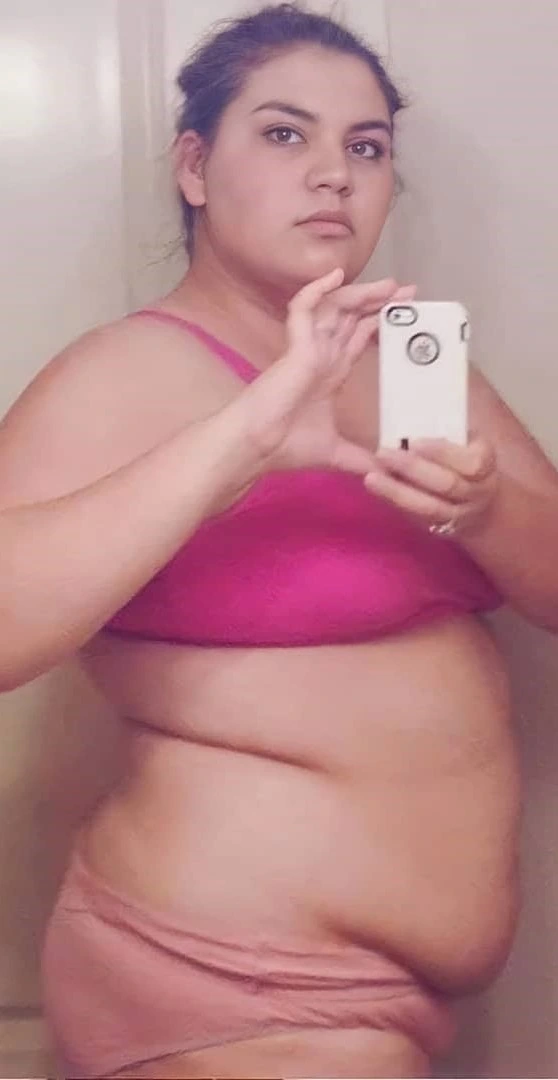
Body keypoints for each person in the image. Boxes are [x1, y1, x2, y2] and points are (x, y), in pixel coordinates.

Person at [2, 4, 558, 1077]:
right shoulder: (125, 373)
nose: (335, 174)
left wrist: (485, 511)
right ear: (196, 168)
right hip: (225, 983)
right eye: (285, 133)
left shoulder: (416, 364)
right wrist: (245, 441)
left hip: (371, 1002)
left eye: (367, 147)